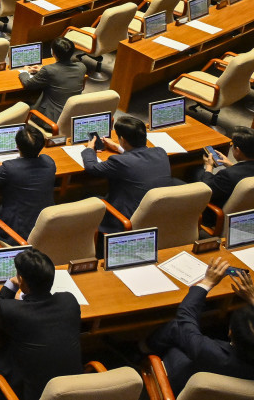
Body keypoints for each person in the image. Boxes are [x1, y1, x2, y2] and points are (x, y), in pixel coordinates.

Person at [0, 248, 84, 400]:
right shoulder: (69, 301)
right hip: (76, 391)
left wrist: (11, 285)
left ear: (21, 281)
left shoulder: (12, 309)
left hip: (36, 395)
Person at [145, 257, 254, 394]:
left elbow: (185, 318)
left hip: (181, 384)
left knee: (176, 329)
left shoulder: (208, 351)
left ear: (230, 331)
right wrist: (252, 298)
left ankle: (141, 350)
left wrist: (207, 282)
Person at [84, 115, 171, 232]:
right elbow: (138, 159)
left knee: (87, 196)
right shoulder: (160, 152)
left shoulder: (120, 161)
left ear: (123, 139)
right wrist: (119, 148)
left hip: (125, 219)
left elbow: (92, 168)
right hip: (156, 215)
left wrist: (89, 149)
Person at [0, 125, 56, 239]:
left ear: (17, 146)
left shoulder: (10, 168)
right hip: (44, 223)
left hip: (18, 230)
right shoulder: (49, 163)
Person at [18, 36, 86, 125]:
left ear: (53, 53)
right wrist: (44, 70)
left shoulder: (49, 70)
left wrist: (24, 72)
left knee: (23, 103)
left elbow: (28, 84)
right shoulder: (81, 67)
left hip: (51, 120)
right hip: (72, 117)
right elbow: (61, 74)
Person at [200, 128, 254, 207]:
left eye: (232, 145)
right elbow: (245, 173)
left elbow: (206, 190)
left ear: (238, 150)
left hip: (215, 210)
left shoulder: (227, 174)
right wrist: (232, 165)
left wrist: (209, 166)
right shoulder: (233, 172)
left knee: (195, 172)